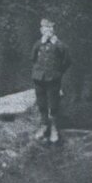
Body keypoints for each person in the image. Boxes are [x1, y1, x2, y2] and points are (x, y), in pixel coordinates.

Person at [31, 17, 72, 145]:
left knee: (53, 104)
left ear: (54, 30)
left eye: (50, 28)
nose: (48, 31)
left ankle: (54, 127)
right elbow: (32, 58)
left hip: (53, 78)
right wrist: (38, 70)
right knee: (41, 102)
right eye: (45, 28)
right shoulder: (38, 44)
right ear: (41, 30)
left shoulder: (60, 45)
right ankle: (44, 125)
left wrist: (59, 72)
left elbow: (67, 61)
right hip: (39, 78)